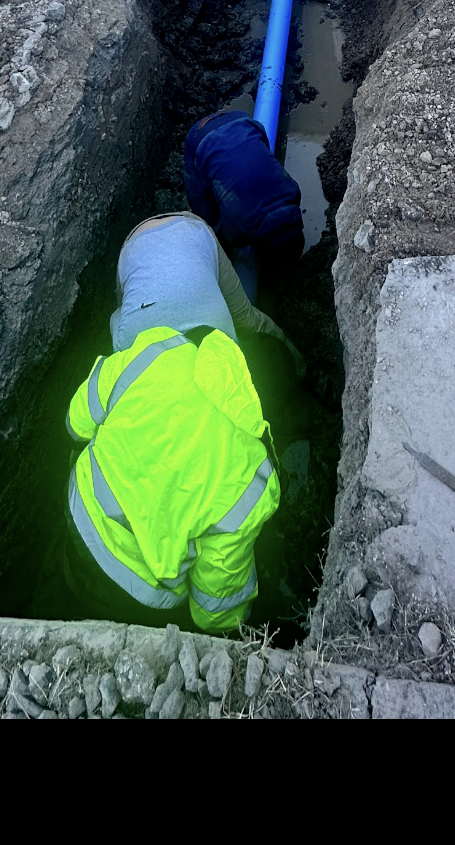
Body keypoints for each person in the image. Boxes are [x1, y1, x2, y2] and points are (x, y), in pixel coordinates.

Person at [64, 212, 292, 630]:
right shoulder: (253, 478)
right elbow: (214, 608)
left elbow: (77, 424)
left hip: (78, 515)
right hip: (136, 588)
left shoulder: (152, 352)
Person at [183, 107, 305, 305]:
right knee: (208, 221)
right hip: (199, 139)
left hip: (242, 121)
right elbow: (231, 239)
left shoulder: (293, 192)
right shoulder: (240, 227)